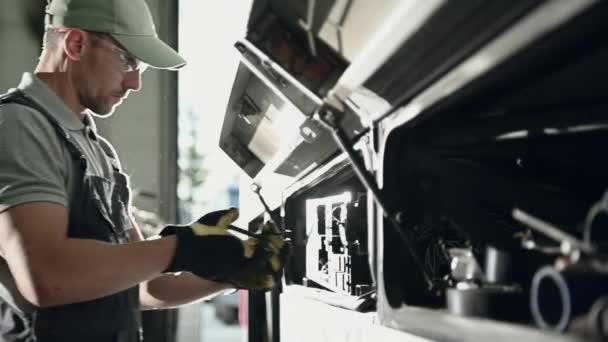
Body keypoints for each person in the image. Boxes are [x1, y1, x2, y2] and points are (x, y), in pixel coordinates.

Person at [0, 0, 285, 341]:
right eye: (129, 61)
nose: (135, 82)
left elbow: (145, 285)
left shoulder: (97, 149)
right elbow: (46, 276)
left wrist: (235, 273)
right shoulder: (19, 126)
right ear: (76, 44)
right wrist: (182, 247)